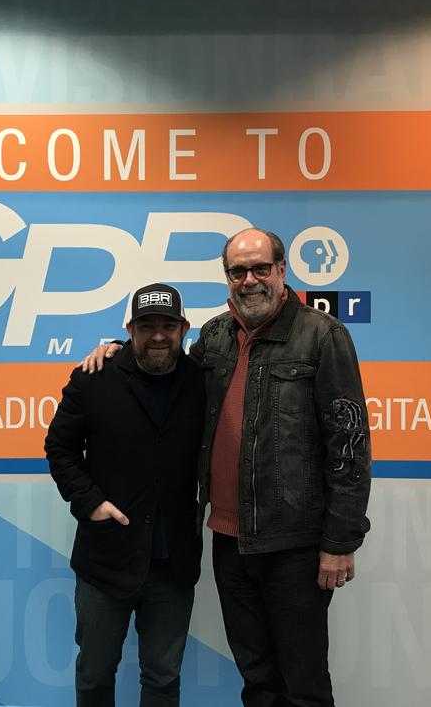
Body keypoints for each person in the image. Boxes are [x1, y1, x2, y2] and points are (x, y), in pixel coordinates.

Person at [82, 229, 371, 707]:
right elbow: (166, 368)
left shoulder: (323, 336)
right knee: (256, 680)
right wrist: (117, 350)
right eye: (238, 271)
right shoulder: (214, 336)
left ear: (282, 271)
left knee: (303, 685)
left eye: (260, 268)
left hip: (295, 545)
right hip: (229, 542)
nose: (249, 280)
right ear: (227, 278)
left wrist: (340, 542)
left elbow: (351, 445)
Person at [45, 282, 205, 707]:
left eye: (168, 325)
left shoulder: (203, 382)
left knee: (163, 680)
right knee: (95, 676)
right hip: (105, 561)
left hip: (173, 565)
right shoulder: (94, 377)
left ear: (184, 328)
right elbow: (59, 447)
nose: (157, 335)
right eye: (146, 325)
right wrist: (90, 502)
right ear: (129, 329)